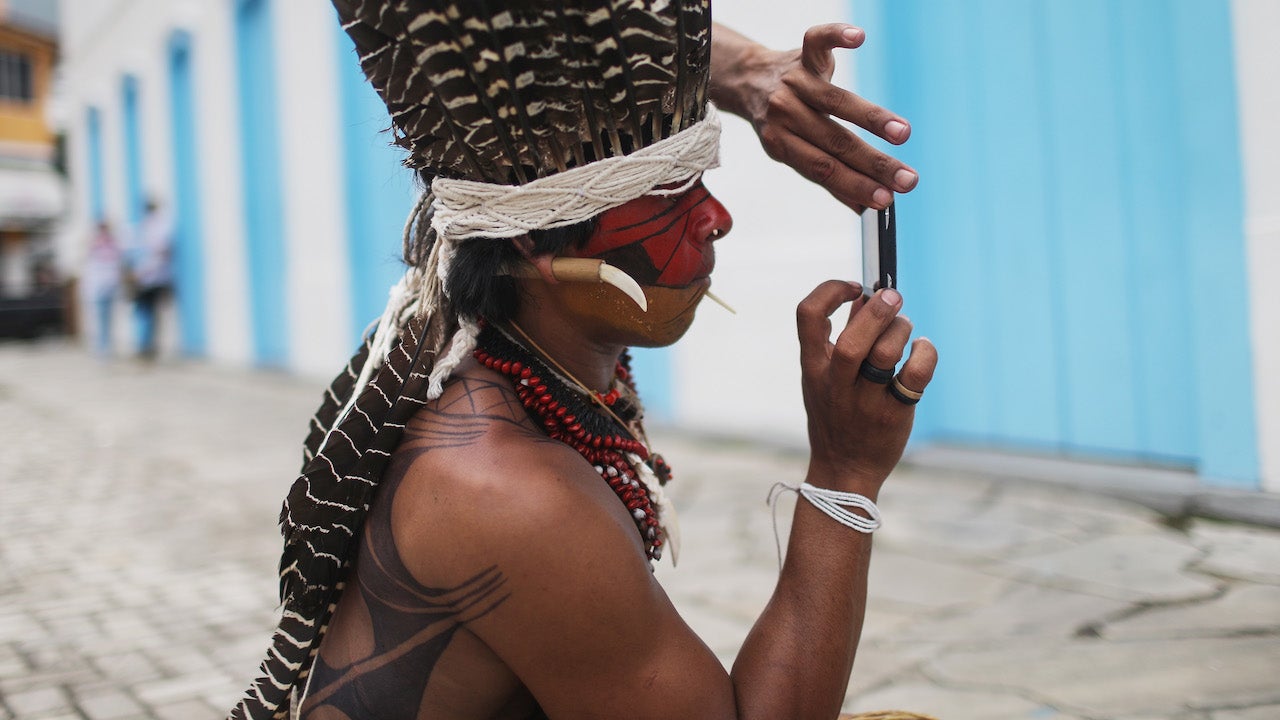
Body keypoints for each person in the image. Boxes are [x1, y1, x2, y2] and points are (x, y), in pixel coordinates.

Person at [231, 3, 935, 720]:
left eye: (697, 180)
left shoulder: (493, 351)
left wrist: (747, 70)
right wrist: (846, 469)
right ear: (541, 248)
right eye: (669, 192)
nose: (718, 217)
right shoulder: (505, 489)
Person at [130, 198, 173, 359]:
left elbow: (157, 253)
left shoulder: (150, 227)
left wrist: (139, 272)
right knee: (148, 313)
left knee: (147, 313)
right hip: (152, 278)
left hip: (150, 278)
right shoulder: (153, 227)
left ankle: (147, 346)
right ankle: (147, 345)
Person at [83, 220, 123, 357]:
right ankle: (101, 348)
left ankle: (107, 348)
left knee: (108, 319)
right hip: (98, 288)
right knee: (101, 319)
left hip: (109, 287)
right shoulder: (95, 245)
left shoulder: (113, 245)